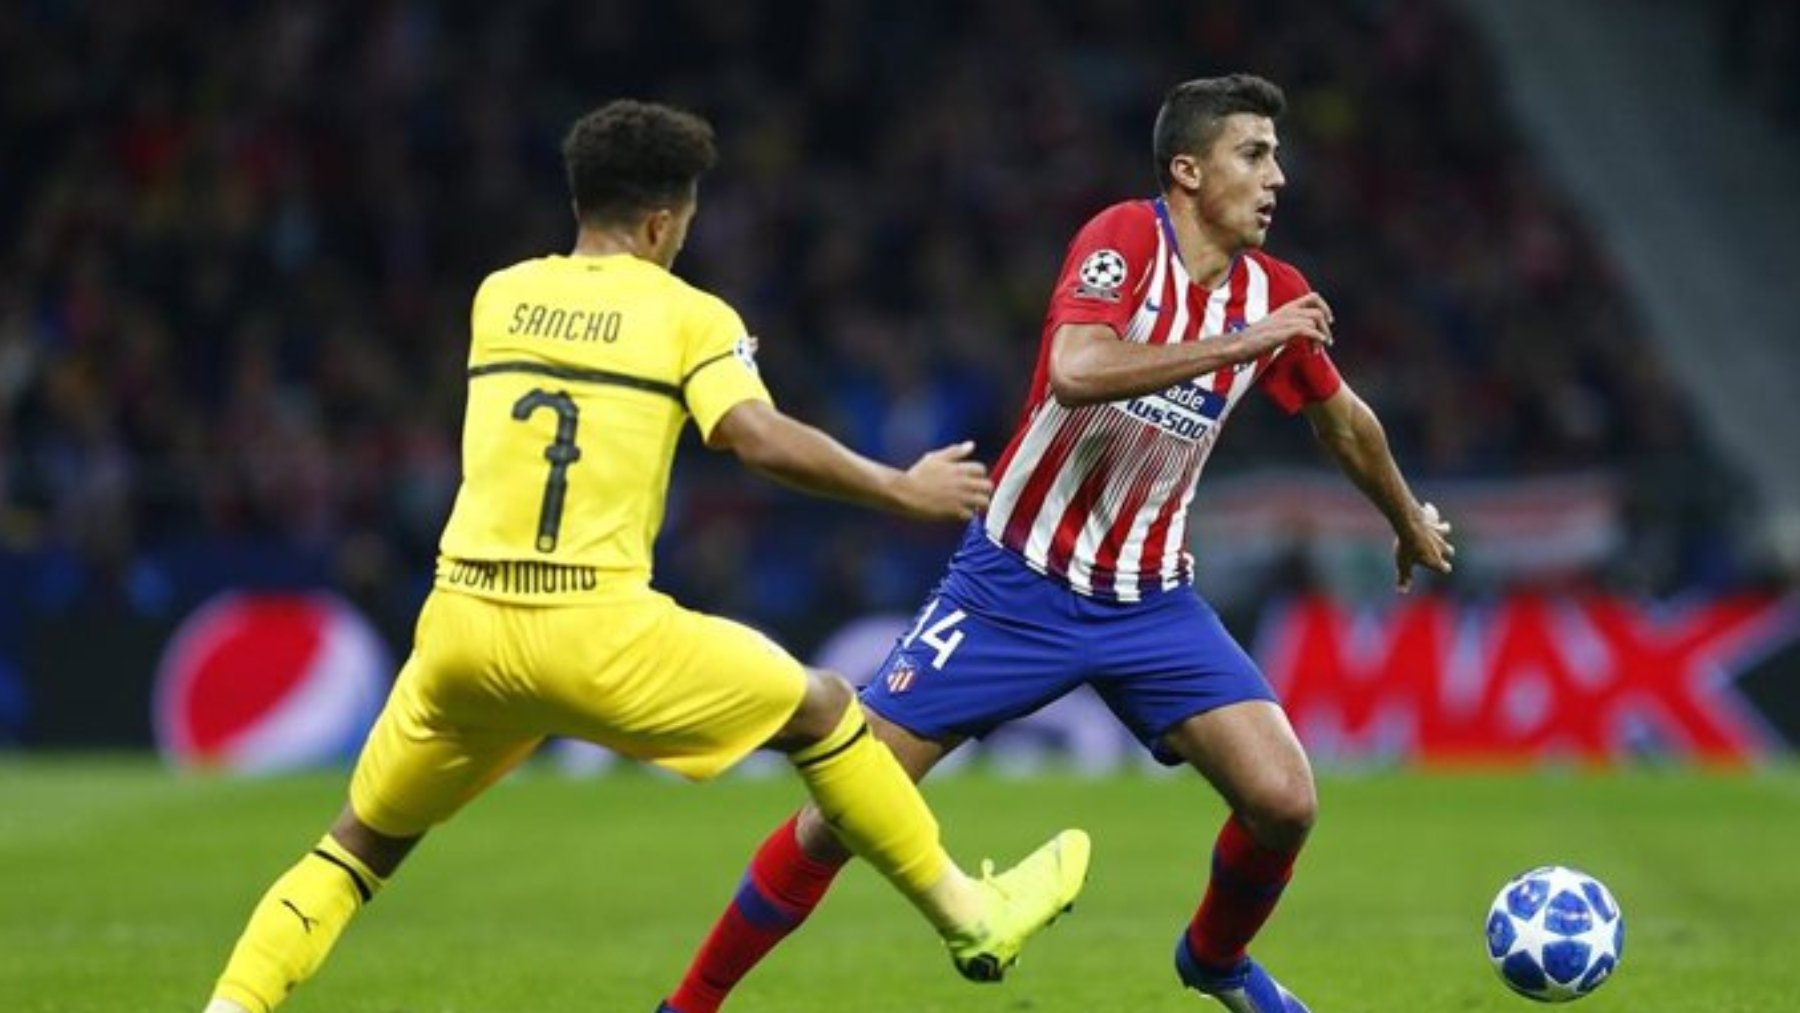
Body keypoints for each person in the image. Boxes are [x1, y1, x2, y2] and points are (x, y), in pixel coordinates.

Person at [199, 99, 1090, 1013]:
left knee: (353, 851)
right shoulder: (688, 315)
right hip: (593, 629)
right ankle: (967, 913)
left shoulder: (498, 295)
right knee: (824, 709)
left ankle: (230, 1006)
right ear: (664, 221)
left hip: (461, 631)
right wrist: (898, 487)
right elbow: (754, 437)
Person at [656, 74, 1455, 1013]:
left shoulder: (1272, 294)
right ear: (1187, 170)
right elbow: (1079, 370)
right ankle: (687, 1007)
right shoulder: (1123, 241)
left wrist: (1405, 515)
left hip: (1151, 599)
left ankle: (1214, 961)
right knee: (842, 809)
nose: (1277, 175)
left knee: (1285, 799)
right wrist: (1245, 344)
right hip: (1012, 587)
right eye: (1254, 154)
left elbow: (1345, 421)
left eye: (1276, 155)